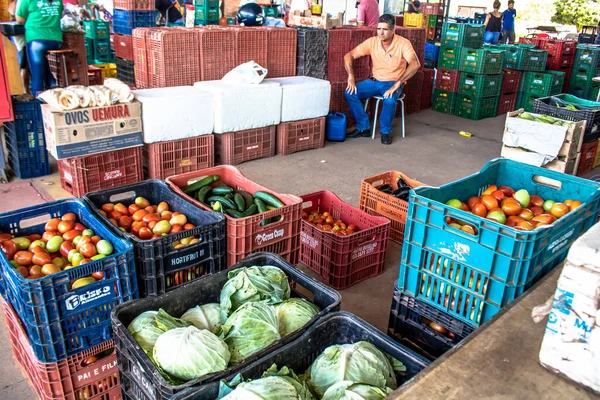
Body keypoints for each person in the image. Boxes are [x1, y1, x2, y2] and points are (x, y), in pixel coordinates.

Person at [344, 14, 420, 145]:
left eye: (384, 29)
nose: (380, 32)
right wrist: (350, 75)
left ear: (393, 30)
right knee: (350, 92)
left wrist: (398, 84)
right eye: (379, 29)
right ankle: (363, 127)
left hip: (393, 82)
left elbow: (415, 64)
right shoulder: (372, 42)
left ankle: (385, 131)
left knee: (389, 100)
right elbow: (348, 55)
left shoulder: (403, 43)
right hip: (375, 81)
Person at [16, 0, 63, 95]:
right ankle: (52, 84)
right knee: (43, 62)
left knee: (37, 75)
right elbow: (60, 15)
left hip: (36, 41)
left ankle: (38, 100)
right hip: (56, 40)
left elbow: (19, 20)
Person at [8, 1, 30, 94]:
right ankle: (25, 91)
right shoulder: (15, 3)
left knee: (27, 64)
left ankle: (26, 90)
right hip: (21, 32)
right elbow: (13, 12)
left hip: (29, 32)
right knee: (25, 63)